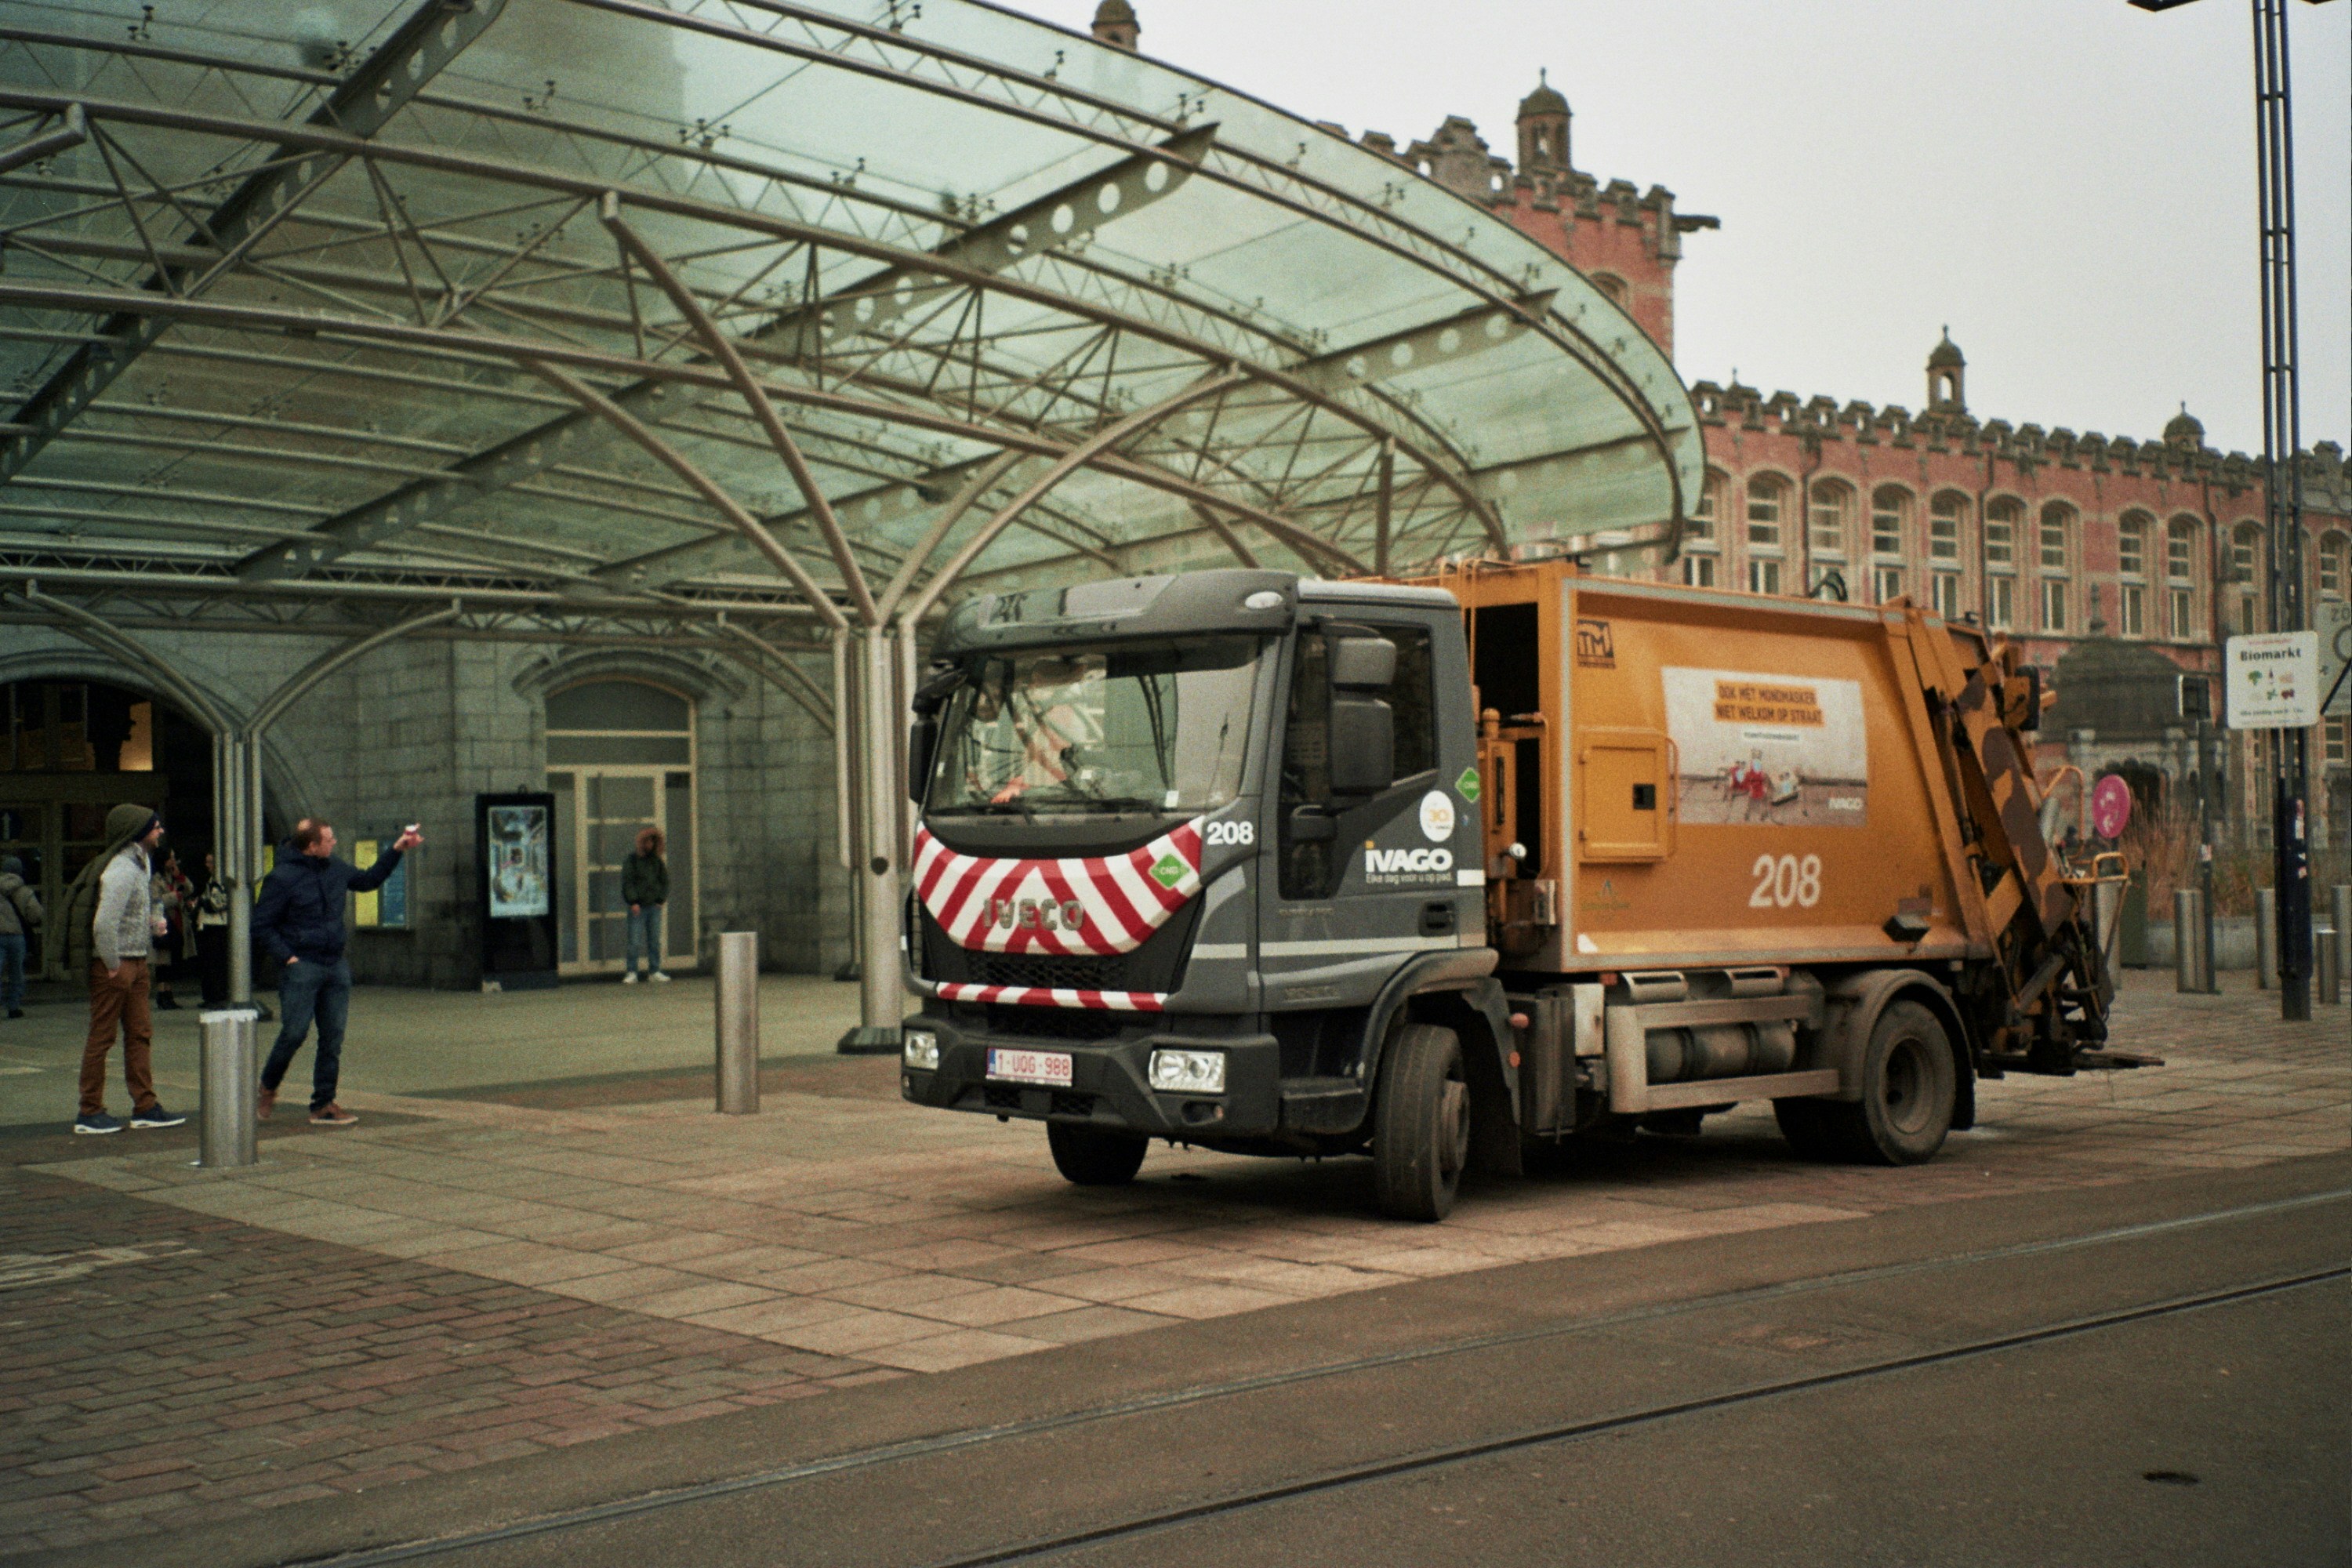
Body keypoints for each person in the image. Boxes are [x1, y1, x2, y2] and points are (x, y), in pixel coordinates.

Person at [254, 818, 419, 1126]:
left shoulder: (334, 867)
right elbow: (261, 924)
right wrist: (287, 958)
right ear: (312, 846)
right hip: (302, 966)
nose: (334, 844)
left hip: (334, 964)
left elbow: (369, 880)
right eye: (329, 840)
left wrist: (397, 849)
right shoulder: (282, 878)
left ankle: (324, 1103)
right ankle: (268, 1086)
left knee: (332, 1037)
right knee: (294, 1032)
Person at [67, 804, 187, 1134]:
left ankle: (145, 1107)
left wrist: (153, 924)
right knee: (102, 1038)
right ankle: (89, 1111)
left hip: (137, 961)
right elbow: (104, 923)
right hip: (117, 965)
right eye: (155, 826)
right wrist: (112, 964)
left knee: (140, 1035)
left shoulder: (141, 864)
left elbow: (130, 915)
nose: (161, 830)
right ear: (137, 831)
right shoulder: (121, 868)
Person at [621, 827, 671, 983]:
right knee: (634, 941)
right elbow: (628, 882)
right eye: (648, 841)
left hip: (653, 907)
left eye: (653, 841)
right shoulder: (632, 860)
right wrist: (633, 902)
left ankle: (654, 970)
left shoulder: (657, 862)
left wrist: (660, 900)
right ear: (642, 842)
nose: (650, 844)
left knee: (654, 940)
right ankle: (632, 971)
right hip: (638, 907)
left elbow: (665, 882)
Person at [0, 853, 40, 1021]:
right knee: (17, 972)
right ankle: (14, 1007)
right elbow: (36, 914)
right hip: (17, 936)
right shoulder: (25, 891)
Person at [149, 851, 191, 1011]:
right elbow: (155, 901)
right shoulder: (155, 879)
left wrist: (180, 877)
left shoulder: (174, 877)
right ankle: (162, 994)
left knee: (173, 960)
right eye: (171, 857)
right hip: (163, 923)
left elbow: (189, 889)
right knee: (163, 960)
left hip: (178, 922)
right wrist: (174, 896)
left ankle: (169, 993)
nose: (174, 860)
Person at [193, 851, 232, 1007]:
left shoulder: (221, 881)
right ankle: (211, 995)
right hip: (208, 924)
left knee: (216, 962)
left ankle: (217, 995)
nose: (207, 865)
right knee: (209, 963)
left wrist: (203, 902)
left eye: (210, 862)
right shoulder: (212, 880)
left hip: (217, 925)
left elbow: (218, 904)